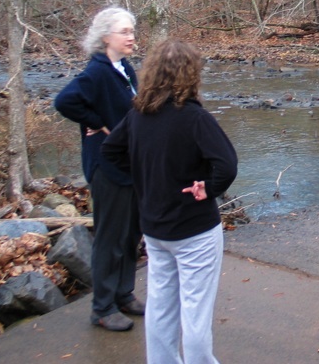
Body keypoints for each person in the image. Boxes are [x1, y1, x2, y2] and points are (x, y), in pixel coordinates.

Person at [102, 39, 238, 364]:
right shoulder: (194, 118)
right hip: (194, 231)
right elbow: (227, 164)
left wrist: (143, 181)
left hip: (155, 229)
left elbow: (110, 152)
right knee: (195, 311)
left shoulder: (137, 115)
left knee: (161, 305)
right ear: (190, 74)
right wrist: (209, 187)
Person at [54, 6, 144, 332]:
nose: (131, 36)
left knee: (131, 233)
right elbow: (64, 101)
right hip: (108, 167)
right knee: (110, 238)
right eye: (124, 32)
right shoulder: (96, 72)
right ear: (106, 37)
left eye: (132, 31)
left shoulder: (126, 70)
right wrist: (97, 123)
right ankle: (102, 308)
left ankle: (124, 294)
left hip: (131, 165)